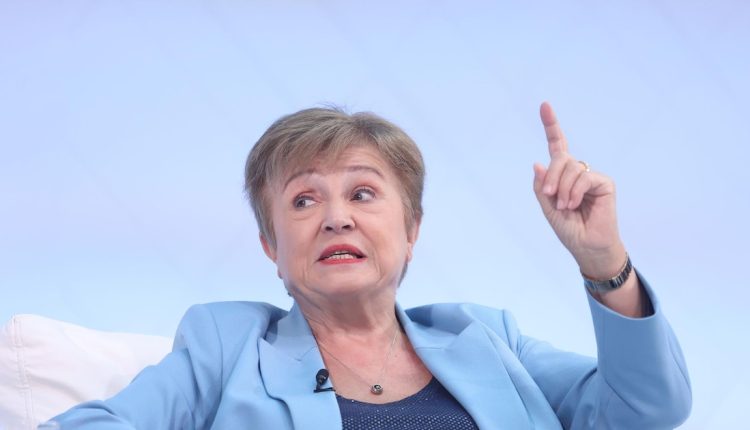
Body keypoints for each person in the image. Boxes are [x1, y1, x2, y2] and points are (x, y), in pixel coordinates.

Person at [48, 103, 691, 429]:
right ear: (271, 245)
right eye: (304, 201)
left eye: (362, 193)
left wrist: (603, 260)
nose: (336, 218)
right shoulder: (227, 345)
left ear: (411, 231)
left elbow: (648, 409)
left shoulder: (487, 337)